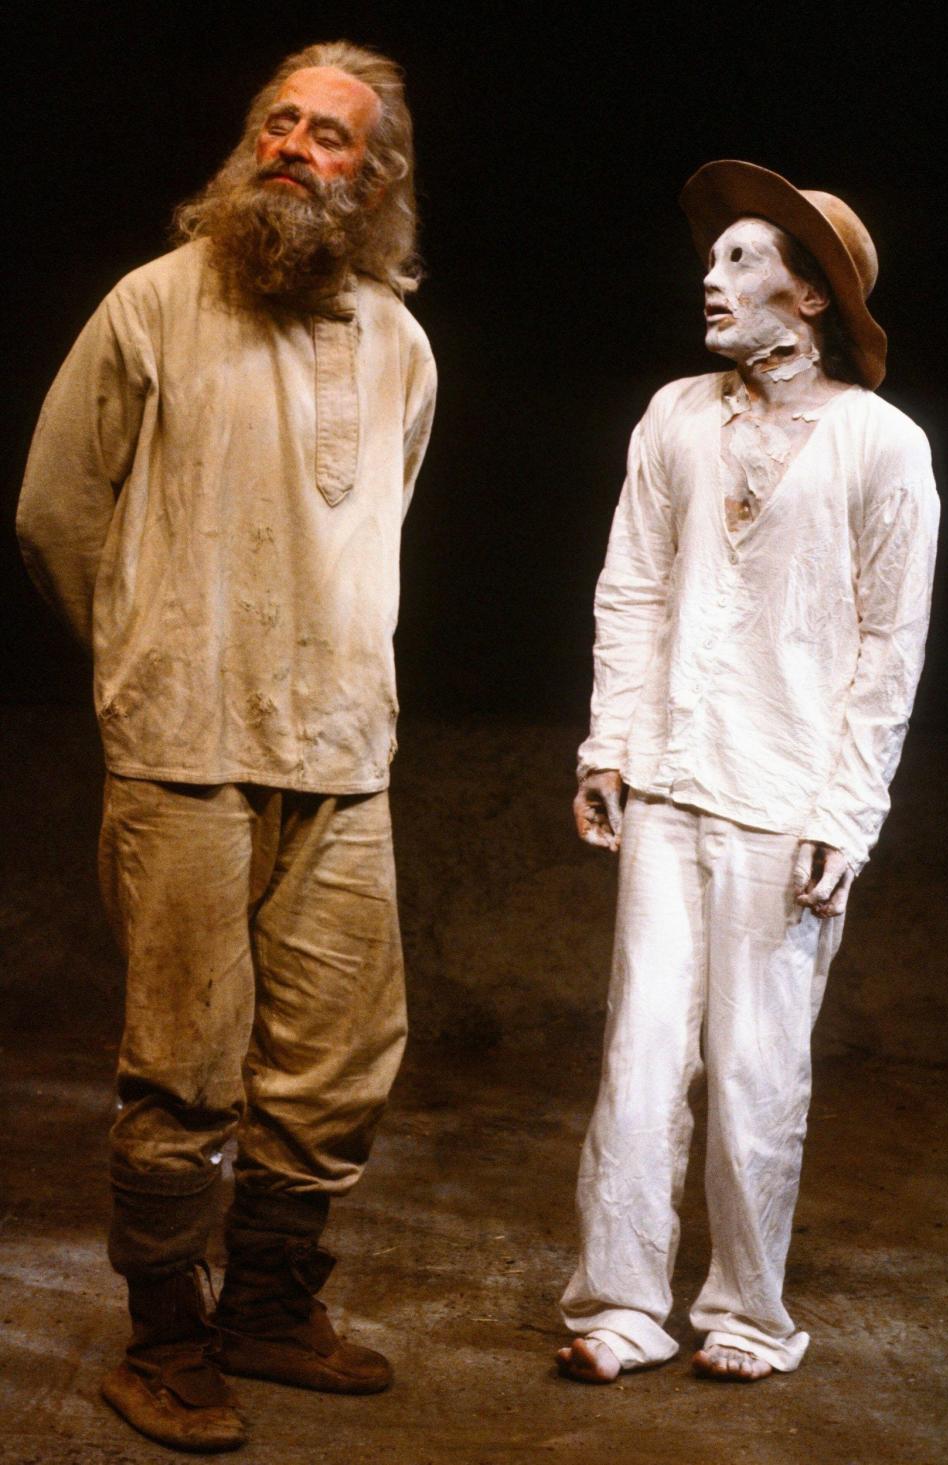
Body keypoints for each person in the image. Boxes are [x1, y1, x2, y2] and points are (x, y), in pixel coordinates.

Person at [17, 40, 436, 1452]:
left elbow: (376, 527)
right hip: (185, 749)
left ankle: (266, 1304)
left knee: (333, 1063)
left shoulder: (399, 342)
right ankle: (163, 1338)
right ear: (246, 138)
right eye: (278, 120)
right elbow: (56, 513)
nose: (295, 148)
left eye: (329, 136)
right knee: (183, 1063)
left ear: (370, 179)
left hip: (342, 755)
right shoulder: (152, 305)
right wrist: (150, 659)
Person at [556, 161, 938, 1386]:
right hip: (671, 781)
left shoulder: (883, 445)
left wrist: (849, 812)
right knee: (641, 1053)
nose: (710, 277)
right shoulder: (675, 415)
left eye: (741, 260)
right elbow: (634, 585)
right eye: (712, 258)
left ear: (813, 296)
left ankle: (750, 1313)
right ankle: (620, 1302)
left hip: (788, 799)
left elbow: (890, 645)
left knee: (760, 1069)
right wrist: (610, 744)